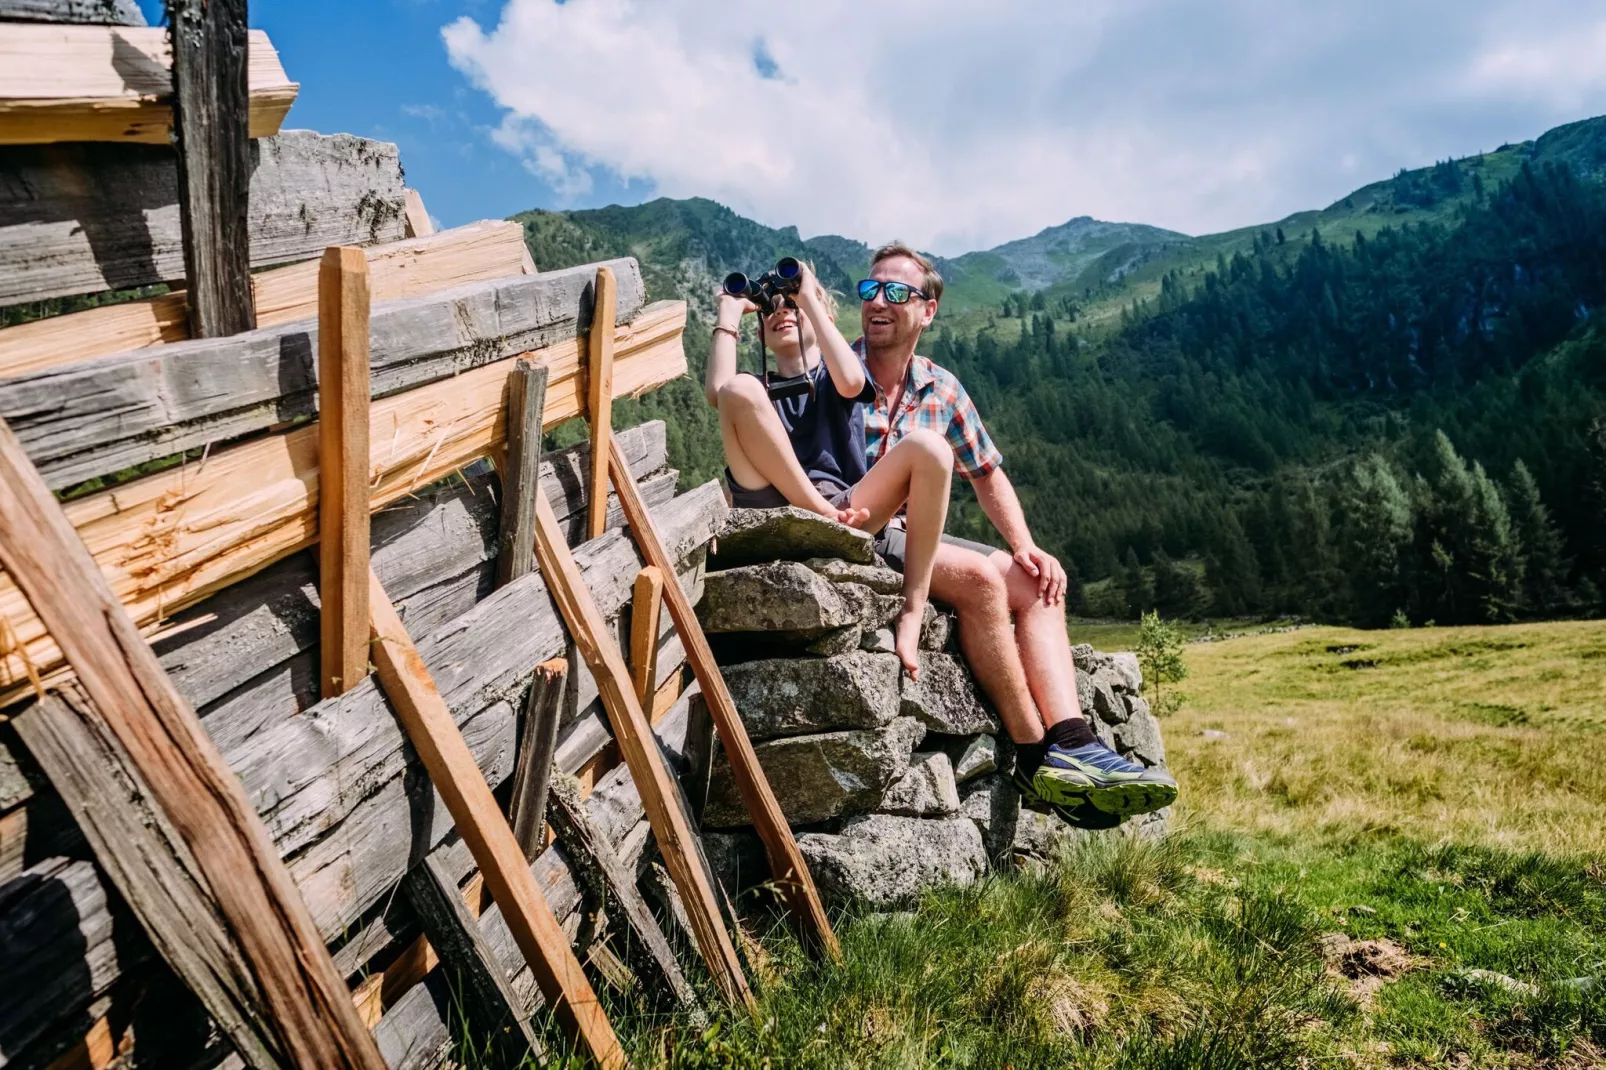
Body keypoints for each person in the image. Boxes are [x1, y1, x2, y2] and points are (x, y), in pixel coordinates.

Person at [855, 242, 1177, 826]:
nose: (879, 301)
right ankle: (1037, 758)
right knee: (981, 577)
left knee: (1037, 583)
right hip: (862, 535)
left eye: (897, 292)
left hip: (916, 536)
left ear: (928, 311)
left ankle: (1075, 743)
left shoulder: (941, 389)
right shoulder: (838, 371)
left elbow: (986, 473)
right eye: (871, 289)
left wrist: (1024, 545)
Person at [705, 262, 954, 677]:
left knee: (931, 448)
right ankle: (816, 511)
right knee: (737, 388)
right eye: (770, 309)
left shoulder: (838, 376)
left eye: (792, 305)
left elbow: (854, 381)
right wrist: (728, 314)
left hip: (845, 505)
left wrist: (809, 296)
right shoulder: (755, 390)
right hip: (771, 505)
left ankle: (913, 606)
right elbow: (718, 392)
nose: (781, 311)